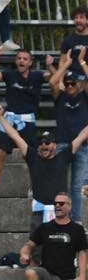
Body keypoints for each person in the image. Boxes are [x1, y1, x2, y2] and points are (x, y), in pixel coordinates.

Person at [0, 107, 88, 235]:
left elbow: (82, 135)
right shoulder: (33, 157)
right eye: (41, 142)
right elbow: (15, 136)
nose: (44, 145)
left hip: (61, 211)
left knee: (64, 249)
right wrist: (0, 118)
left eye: (47, 142)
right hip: (39, 212)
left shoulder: (64, 156)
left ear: (55, 145)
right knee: (37, 251)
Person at [0, 47, 46, 197]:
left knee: (31, 156)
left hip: (28, 121)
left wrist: (51, 64)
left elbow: (55, 77)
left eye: (25, 59)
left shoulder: (37, 76)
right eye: (19, 58)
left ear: (30, 62)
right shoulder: (9, 74)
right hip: (10, 120)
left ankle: (35, 188)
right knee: (1, 152)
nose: (21, 61)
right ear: (16, 61)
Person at [47, 50, 88, 219]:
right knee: (59, 186)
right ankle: (57, 218)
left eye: (73, 83)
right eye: (68, 83)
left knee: (77, 187)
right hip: (63, 144)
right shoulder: (60, 96)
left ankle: (76, 221)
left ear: (79, 84)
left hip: (83, 146)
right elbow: (52, 81)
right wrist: (67, 64)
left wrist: (82, 61)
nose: (70, 86)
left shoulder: (85, 97)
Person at [20, 192, 87, 280]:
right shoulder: (45, 227)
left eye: (61, 203)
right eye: (55, 203)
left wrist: (82, 276)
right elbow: (30, 244)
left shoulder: (77, 229)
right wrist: (24, 253)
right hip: (46, 273)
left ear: (70, 206)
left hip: (66, 277)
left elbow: (82, 253)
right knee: (30, 272)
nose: (58, 205)